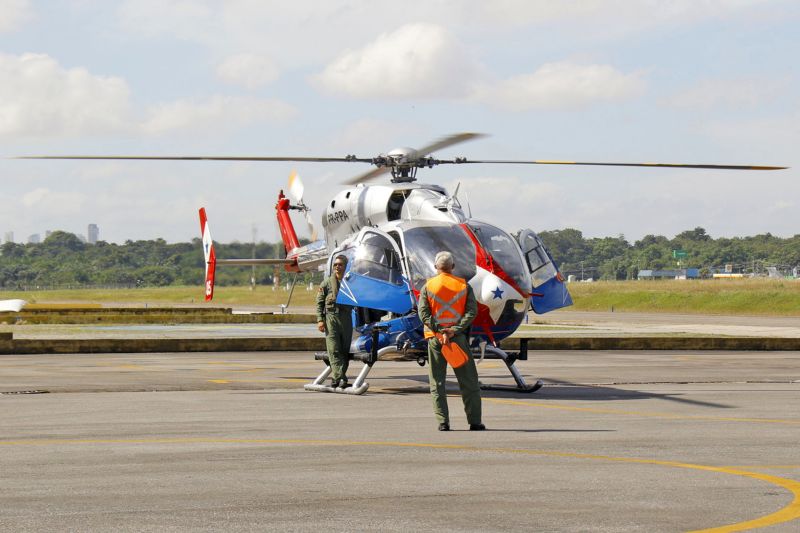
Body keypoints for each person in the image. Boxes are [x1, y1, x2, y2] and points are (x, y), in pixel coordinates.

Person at [418, 251, 484, 431]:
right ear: (453, 267)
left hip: (435, 339)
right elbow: (472, 312)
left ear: (435, 267)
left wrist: (440, 331)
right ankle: (475, 422)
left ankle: (443, 422)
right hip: (457, 340)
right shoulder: (463, 286)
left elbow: (423, 314)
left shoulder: (428, 286)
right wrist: (453, 330)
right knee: (469, 381)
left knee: (437, 382)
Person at [316, 254, 354, 388]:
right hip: (331, 318)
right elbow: (319, 302)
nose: (337, 267)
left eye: (340, 264)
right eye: (335, 265)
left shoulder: (351, 283)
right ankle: (340, 377)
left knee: (344, 350)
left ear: (345, 266)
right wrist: (320, 320)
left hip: (346, 319)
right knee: (334, 349)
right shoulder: (326, 283)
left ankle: (338, 377)